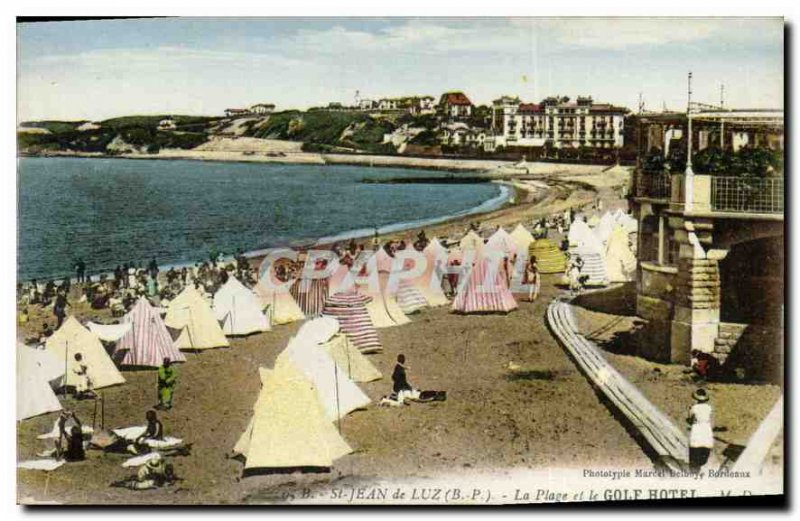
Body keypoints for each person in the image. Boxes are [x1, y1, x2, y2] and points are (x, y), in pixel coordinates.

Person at [687, 388, 714, 472]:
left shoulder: (694, 408)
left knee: (695, 447)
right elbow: (710, 418)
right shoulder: (709, 408)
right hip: (706, 428)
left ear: (696, 398)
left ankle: (694, 468)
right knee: (705, 445)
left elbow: (690, 420)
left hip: (697, 428)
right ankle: (701, 464)